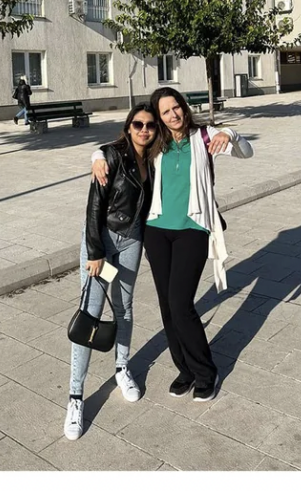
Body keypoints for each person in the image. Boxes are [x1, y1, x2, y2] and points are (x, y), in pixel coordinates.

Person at [94, 87, 253, 403]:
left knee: (181, 304)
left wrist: (231, 134)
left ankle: (206, 371)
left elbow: (246, 151)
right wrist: (97, 155)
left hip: (191, 230)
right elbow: (121, 144)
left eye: (176, 107)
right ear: (160, 117)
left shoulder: (205, 137)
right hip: (156, 231)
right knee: (167, 306)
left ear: (184, 107)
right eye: (165, 111)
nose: (173, 115)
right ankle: (185, 369)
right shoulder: (157, 143)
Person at [64, 103, 157, 441]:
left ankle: (122, 368)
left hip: (131, 243)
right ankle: (76, 397)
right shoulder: (112, 157)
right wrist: (94, 251)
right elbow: (94, 205)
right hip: (104, 244)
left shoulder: (151, 158)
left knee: (125, 310)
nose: (144, 129)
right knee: (91, 315)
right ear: (128, 126)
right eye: (137, 124)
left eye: (149, 125)